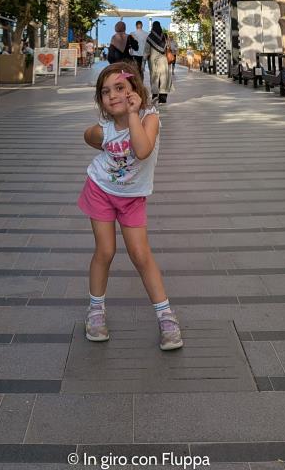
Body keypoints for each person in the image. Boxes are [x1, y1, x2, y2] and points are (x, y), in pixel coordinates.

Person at [77, 60, 183, 351]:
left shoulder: (150, 119)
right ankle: (95, 311)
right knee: (105, 251)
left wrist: (133, 114)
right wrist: (98, 137)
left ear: (134, 90)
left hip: (132, 198)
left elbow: (142, 149)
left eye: (119, 88)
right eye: (105, 91)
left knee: (140, 254)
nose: (112, 95)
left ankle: (166, 317)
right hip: (100, 190)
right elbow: (89, 136)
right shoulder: (106, 128)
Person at [144, 21, 172, 104]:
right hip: (163, 59)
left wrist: (143, 61)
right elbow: (168, 46)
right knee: (164, 78)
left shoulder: (150, 37)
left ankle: (155, 95)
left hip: (153, 60)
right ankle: (163, 98)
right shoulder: (165, 36)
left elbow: (146, 50)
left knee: (154, 78)